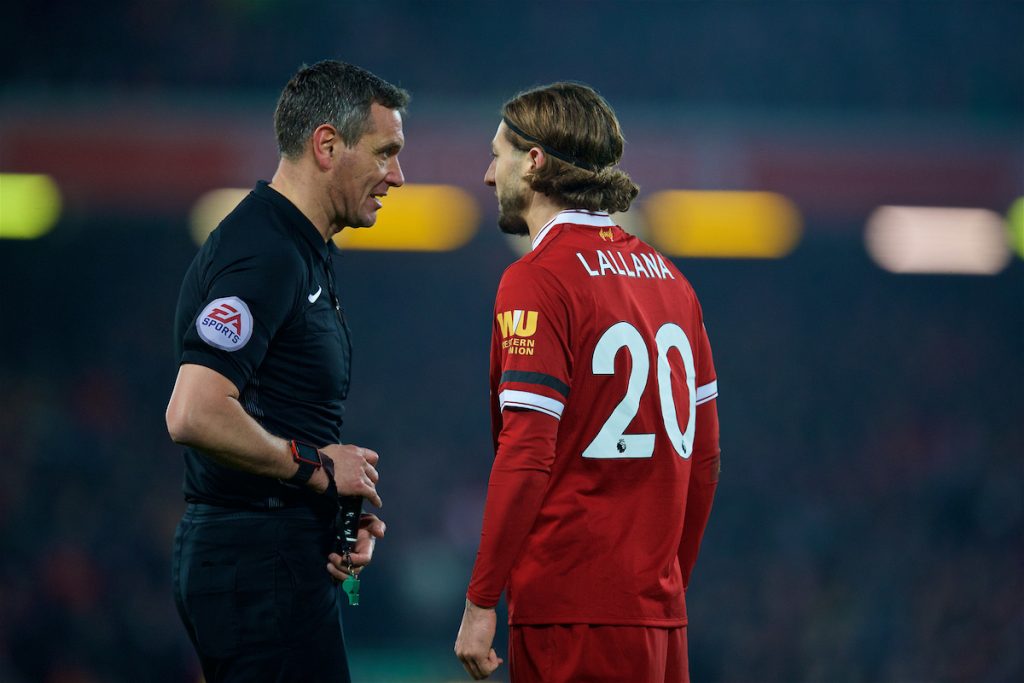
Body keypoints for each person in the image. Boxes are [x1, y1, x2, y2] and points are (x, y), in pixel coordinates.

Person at [454, 83, 721, 683]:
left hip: (569, 613)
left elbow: (527, 451)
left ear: (535, 160)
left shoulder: (536, 280)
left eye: (497, 154)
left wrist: (480, 601)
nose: (488, 174)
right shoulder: (675, 284)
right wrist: (664, 585)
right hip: (657, 622)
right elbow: (704, 461)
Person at [165, 60, 408, 682]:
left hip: (274, 559)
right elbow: (194, 411)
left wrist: (335, 504)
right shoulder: (264, 252)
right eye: (385, 153)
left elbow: (276, 411)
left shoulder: (301, 248)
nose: (397, 177)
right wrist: (321, 470)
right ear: (327, 145)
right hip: (255, 564)